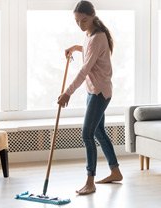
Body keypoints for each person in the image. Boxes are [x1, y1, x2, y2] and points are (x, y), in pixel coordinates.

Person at [57, 0, 123, 195]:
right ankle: (115, 171)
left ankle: (90, 181)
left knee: (87, 133)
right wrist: (75, 48)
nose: (80, 24)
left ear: (93, 16)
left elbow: (85, 68)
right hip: (93, 91)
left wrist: (67, 92)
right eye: (77, 21)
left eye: (83, 20)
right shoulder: (90, 34)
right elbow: (88, 49)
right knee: (98, 132)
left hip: (100, 93)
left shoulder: (98, 37)